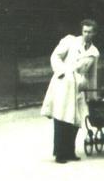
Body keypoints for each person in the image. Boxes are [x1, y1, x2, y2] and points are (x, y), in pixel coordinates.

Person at [41, 19, 100, 164]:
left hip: (79, 86)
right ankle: (60, 153)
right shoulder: (70, 41)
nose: (86, 34)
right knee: (62, 117)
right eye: (84, 31)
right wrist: (62, 71)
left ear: (94, 33)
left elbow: (92, 74)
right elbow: (55, 56)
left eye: (90, 32)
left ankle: (70, 151)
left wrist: (92, 95)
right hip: (64, 84)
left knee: (76, 120)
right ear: (81, 31)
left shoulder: (94, 52)